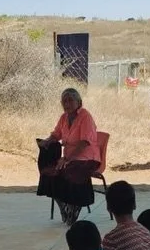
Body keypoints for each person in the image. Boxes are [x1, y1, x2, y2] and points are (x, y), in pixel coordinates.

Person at [36, 88, 101, 226]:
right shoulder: (64, 117)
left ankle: (74, 207)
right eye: (64, 101)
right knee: (49, 173)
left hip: (87, 158)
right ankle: (64, 206)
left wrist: (67, 158)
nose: (67, 104)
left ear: (79, 102)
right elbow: (56, 134)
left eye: (70, 100)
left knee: (69, 172)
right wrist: (47, 141)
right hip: (70, 159)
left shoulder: (85, 116)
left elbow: (84, 143)